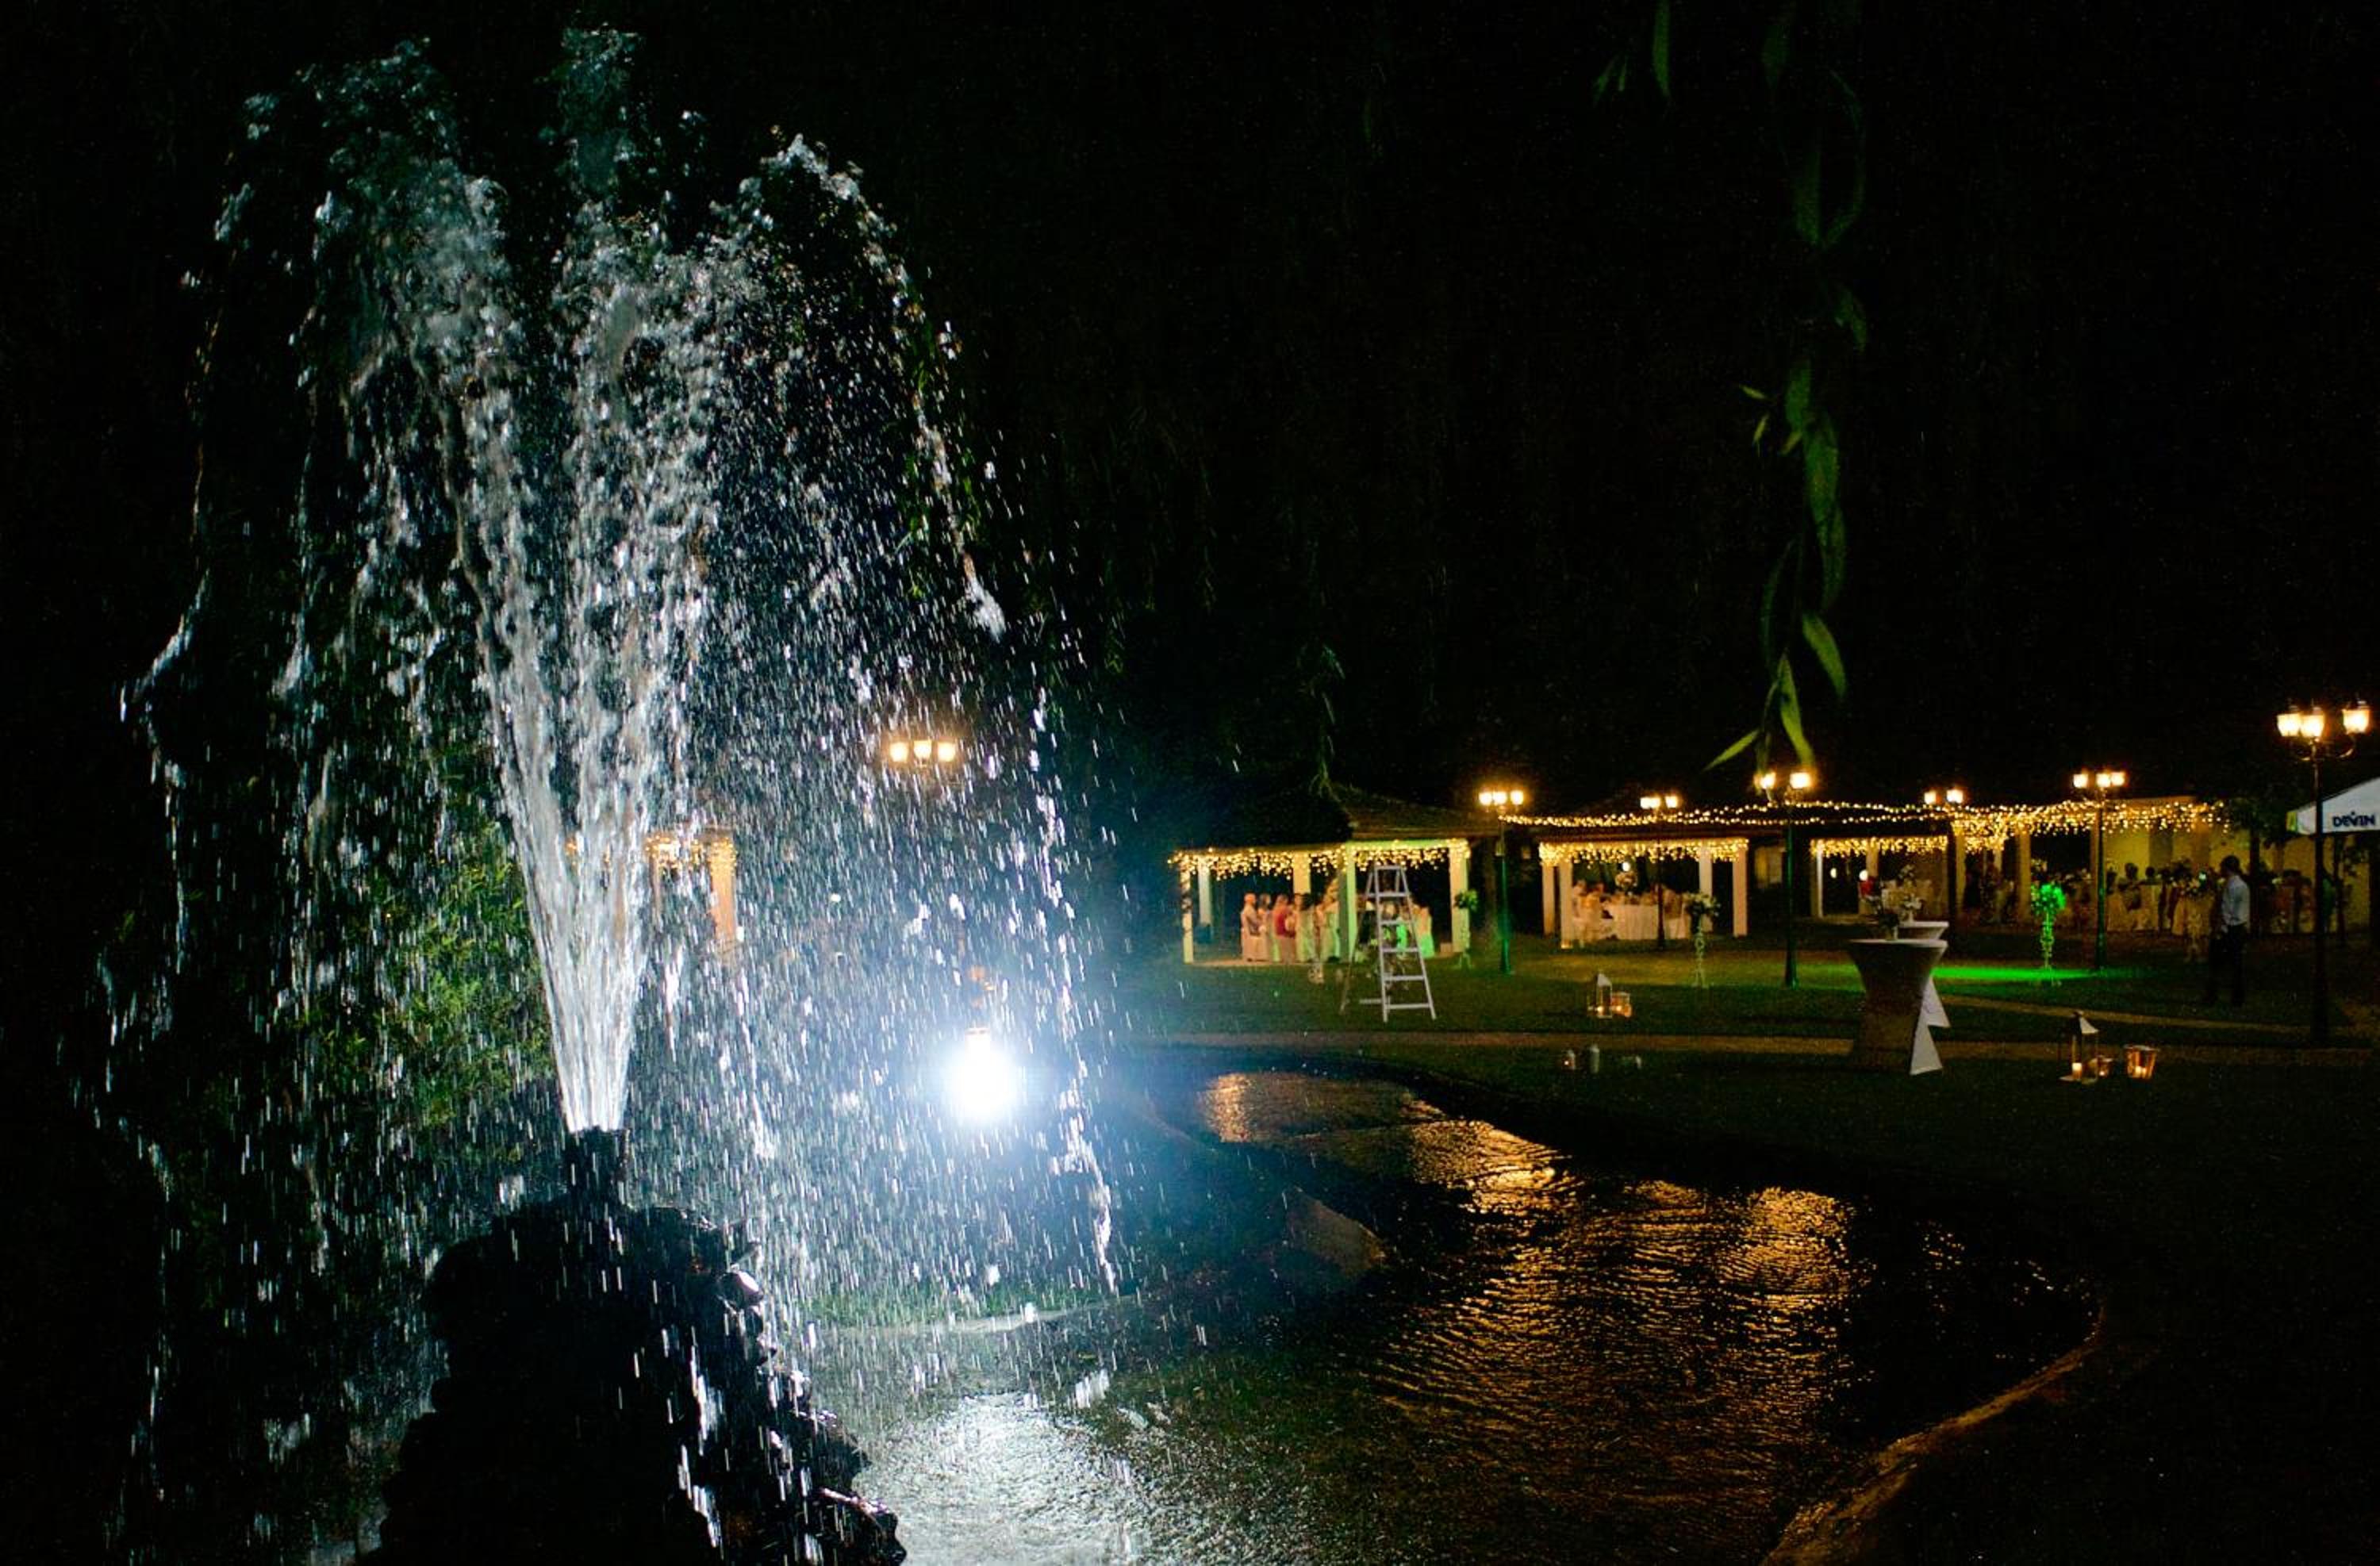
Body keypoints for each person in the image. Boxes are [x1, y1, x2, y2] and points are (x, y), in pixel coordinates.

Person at [2204, 854, 2249, 1004]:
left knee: (2215, 964)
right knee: (2237, 965)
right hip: (2239, 928)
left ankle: (2212, 995)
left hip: (2228, 930)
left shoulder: (2230, 886)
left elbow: (2226, 910)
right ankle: (2237, 997)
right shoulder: (2242, 885)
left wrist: (2219, 930)